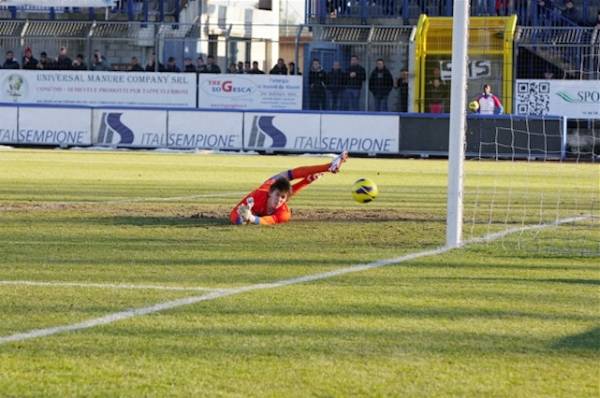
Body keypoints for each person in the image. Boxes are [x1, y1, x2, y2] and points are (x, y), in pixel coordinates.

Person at [230, 152, 348, 225]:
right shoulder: (257, 195)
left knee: (289, 182)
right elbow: (233, 214)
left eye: (282, 198)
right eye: (277, 196)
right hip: (271, 183)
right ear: (270, 193)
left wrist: (251, 218)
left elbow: (269, 221)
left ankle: (329, 167)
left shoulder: (284, 213)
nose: (279, 201)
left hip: (275, 190)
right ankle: (328, 167)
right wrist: (239, 220)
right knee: (291, 174)